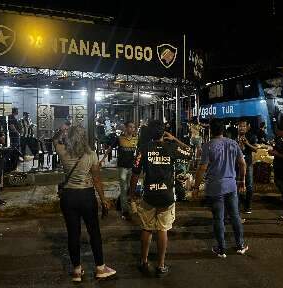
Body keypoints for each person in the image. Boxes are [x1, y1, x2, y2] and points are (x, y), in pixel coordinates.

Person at [53, 124, 116, 282]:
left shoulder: (63, 151)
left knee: (73, 234)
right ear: (84, 137)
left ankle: (76, 271)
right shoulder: (92, 155)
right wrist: (103, 200)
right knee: (94, 232)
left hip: (68, 197)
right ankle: (100, 268)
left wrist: (62, 130)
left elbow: (55, 140)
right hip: (86, 196)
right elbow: (96, 180)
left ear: (69, 137)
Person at [129, 120, 192, 277]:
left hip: (149, 195)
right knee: (162, 229)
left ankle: (144, 262)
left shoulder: (143, 149)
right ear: (164, 132)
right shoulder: (172, 147)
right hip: (166, 196)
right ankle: (161, 265)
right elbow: (189, 152)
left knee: (147, 228)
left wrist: (131, 194)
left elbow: (135, 173)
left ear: (149, 133)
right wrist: (174, 139)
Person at [193, 118, 249, 258]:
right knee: (235, 215)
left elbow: (202, 168)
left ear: (211, 130)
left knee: (218, 218)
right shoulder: (233, 143)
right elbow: (243, 164)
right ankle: (240, 245)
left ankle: (221, 249)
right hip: (231, 186)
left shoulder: (208, 146)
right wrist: (242, 180)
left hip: (215, 187)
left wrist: (195, 187)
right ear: (223, 130)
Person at [101, 121, 138, 220]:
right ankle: (125, 211)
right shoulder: (119, 139)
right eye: (130, 127)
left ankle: (119, 203)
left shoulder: (136, 139)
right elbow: (110, 148)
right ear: (126, 128)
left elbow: (138, 153)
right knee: (124, 188)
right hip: (122, 167)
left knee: (129, 188)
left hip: (132, 167)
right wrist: (102, 159)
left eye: (133, 127)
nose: (132, 129)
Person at [238, 119, 258, 214]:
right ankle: (238, 205)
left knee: (249, 185)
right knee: (237, 184)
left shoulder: (251, 136)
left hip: (248, 163)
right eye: (240, 126)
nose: (241, 128)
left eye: (243, 126)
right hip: (236, 164)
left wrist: (247, 143)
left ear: (247, 127)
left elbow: (255, 149)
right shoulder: (234, 137)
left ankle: (248, 206)